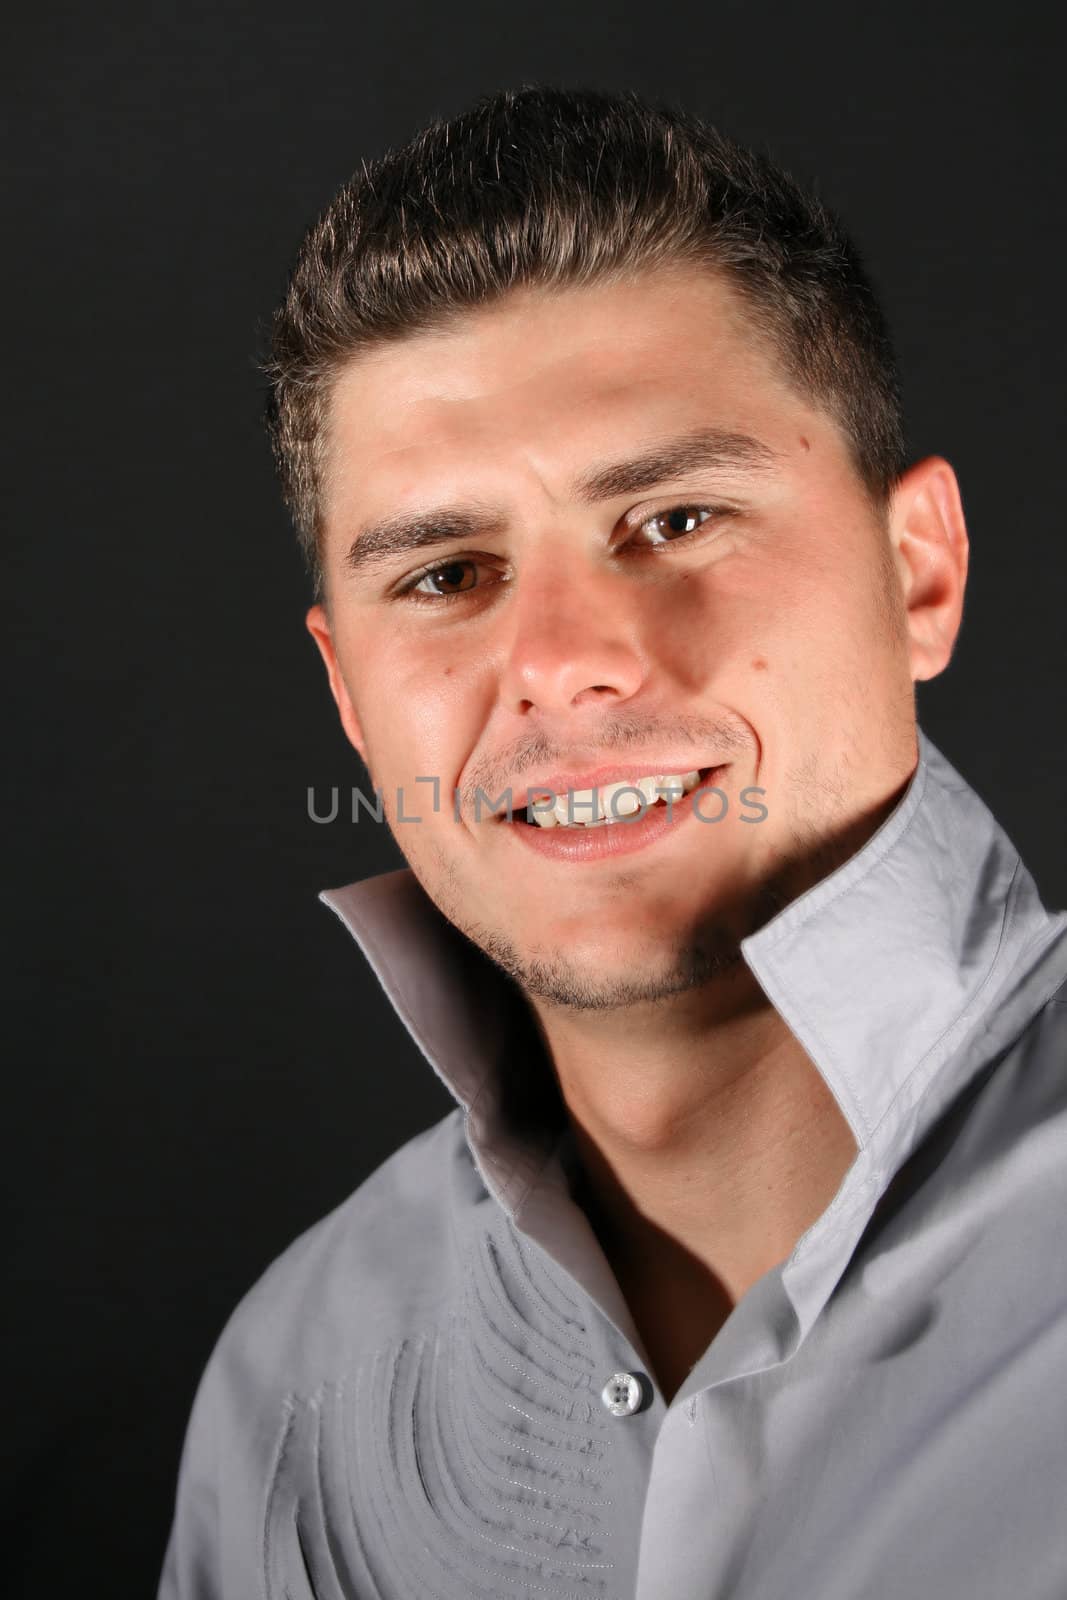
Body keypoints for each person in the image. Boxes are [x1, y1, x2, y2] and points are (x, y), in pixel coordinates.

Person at [158, 85, 1067, 1599]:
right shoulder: (293, 1390)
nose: (568, 660)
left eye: (677, 520)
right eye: (448, 573)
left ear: (920, 576)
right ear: (350, 700)